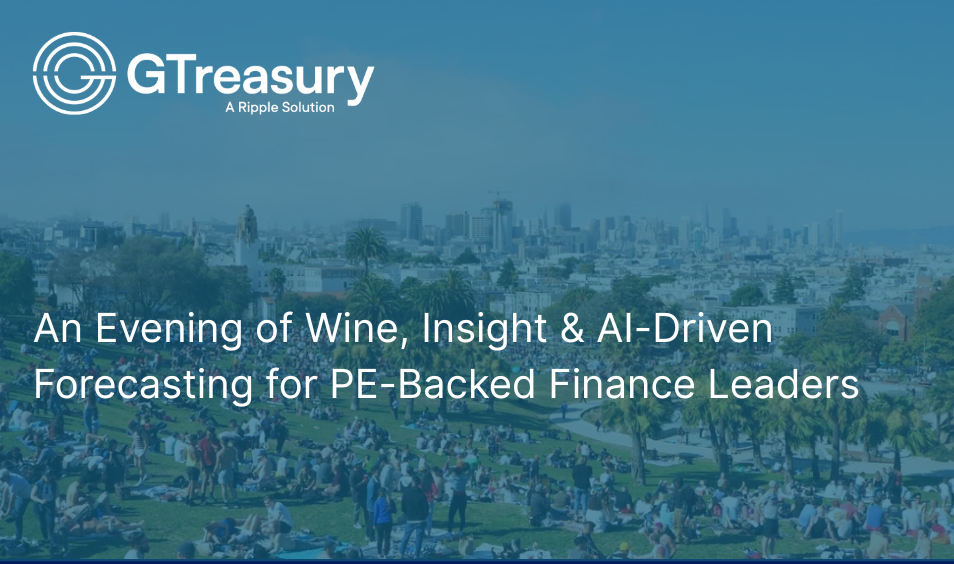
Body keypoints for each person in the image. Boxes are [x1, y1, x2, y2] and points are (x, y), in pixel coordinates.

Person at [30, 469, 59, 553]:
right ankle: (45, 538)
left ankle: (52, 540)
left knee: (51, 523)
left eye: (49, 476)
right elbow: (32, 496)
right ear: (43, 476)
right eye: (46, 476)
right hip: (39, 505)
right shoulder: (38, 483)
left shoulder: (54, 484)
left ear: (52, 476)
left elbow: (57, 496)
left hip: (50, 505)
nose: (47, 478)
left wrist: (58, 505)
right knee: (43, 524)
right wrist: (40, 501)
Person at [399, 475, 428, 559]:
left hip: (410, 519)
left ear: (412, 482)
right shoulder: (422, 493)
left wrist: (407, 514)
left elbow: (402, 507)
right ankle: (416, 555)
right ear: (418, 483)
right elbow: (426, 507)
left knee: (406, 537)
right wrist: (424, 516)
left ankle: (400, 553)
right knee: (418, 539)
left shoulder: (406, 493)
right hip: (420, 519)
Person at [0, 468, 31, 543]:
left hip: (24, 496)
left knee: (18, 516)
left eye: (1, 478)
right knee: (15, 512)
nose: (0, 480)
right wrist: (2, 505)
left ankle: (18, 536)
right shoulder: (7, 479)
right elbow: (5, 491)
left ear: (6, 476)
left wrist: (7, 513)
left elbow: (11, 500)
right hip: (19, 492)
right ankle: (13, 515)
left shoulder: (13, 483)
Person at [446, 464, 471, 533]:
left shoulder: (452, 479)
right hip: (463, 497)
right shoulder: (464, 478)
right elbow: (470, 473)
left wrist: (450, 470)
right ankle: (461, 531)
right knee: (462, 514)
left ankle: (449, 531)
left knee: (451, 515)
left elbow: (444, 476)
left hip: (455, 497)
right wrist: (468, 468)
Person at [213, 439, 238, 509]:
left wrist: (214, 472)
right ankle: (236, 502)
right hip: (230, 470)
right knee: (232, 487)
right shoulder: (232, 450)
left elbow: (217, 465)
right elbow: (234, 459)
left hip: (223, 471)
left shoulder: (219, 453)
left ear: (221, 443)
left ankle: (226, 503)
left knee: (223, 487)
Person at [760, 482, 781, 558]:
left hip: (775, 518)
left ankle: (772, 553)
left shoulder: (775, 494)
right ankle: (764, 554)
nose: (778, 487)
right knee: (766, 537)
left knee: (773, 537)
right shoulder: (767, 495)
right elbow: (757, 504)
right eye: (777, 486)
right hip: (768, 519)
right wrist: (762, 515)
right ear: (774, 486)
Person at [372, 489, 394, 558]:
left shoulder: (377, 502)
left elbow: (375, 514)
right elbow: (395, 510)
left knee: (380, 538)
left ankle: (379, 553)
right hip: (388, 521)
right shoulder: (390, 500)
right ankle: (385, 555)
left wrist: (374, 524)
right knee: (387, 538)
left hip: (380, 522)